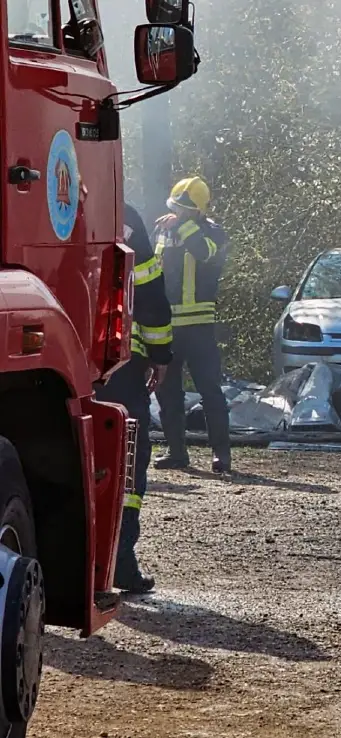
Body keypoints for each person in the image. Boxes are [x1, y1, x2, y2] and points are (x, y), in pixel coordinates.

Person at [94, 202, 174, 594]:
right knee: (125, 458)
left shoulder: (28, 192)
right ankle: (119, 560)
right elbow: (148, 293)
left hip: (47, 358)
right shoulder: (118, 213)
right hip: (115, 362)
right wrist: (160, 356)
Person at [151, 176, 233, 474]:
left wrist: (182, 225)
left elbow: (203, 253)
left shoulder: (213, 232)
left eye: (186, 209)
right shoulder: (165, 230)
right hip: (167, 328)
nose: (180, 213)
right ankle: (176, 451)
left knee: (210, 390)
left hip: (199, 328)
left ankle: (221, 455)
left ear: (199, 211)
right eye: (177, 207)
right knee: (168, 393)